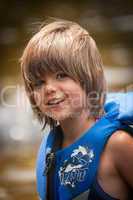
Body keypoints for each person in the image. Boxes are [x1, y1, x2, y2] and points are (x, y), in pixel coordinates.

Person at [20, 19, 133, 200]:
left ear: (89, 77)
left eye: (61, 75)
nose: (49, 88)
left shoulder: (118, 145)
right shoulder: (50, 149)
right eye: (39, 82)